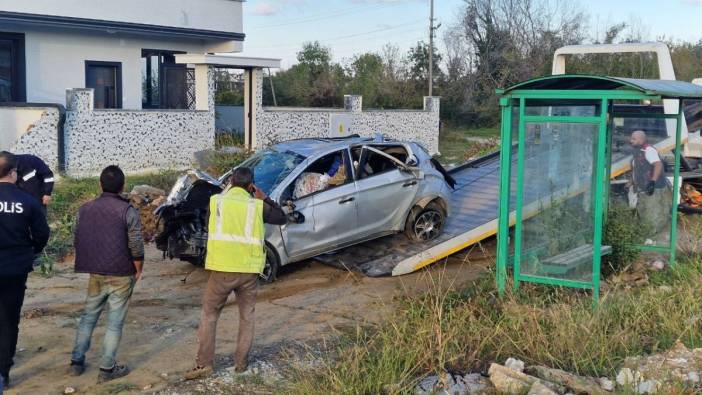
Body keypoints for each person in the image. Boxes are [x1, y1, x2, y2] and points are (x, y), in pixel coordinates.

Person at [185, 167, 286, 380]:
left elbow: (208, 226)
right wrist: (265, 197)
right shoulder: (257, 206)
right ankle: (241, 364)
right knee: (247, 317)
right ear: (251, 186)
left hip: (222, 269)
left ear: (230, 181)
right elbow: (281, 217)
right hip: (249, 271)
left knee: (209, 315)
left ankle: (204, 364)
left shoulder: (217, 202)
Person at [69, 165, 144, 383]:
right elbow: (136, 244)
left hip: (96, 273)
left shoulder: (85, 209)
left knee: (88, 317)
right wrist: (138, 268)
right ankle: (106, 369)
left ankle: (76, 363)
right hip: (122, 273)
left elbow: (79, 237)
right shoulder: (128, 211)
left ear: (100, 184)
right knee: (114, 323)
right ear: (123, 187)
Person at [0, 152, 50, 389]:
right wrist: (32, 251)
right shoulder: (28, 201)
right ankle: (3, 372)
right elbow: (42, 234)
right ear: (13, 173)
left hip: (14, 266)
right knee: (9, 320)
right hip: (15, 269)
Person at [629, 130, 672, 234]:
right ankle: (645, 233)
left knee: (652, 212)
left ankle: (652, 236)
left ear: (641, 139)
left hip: (653, 188)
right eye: (631, 138)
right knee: (642, 211)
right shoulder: (637, 151)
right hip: (642, 187)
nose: (631, 141)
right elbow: (637, 169)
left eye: (634, 139)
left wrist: (652, 182)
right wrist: (631, 182)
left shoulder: (648, 150)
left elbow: (658, 165)